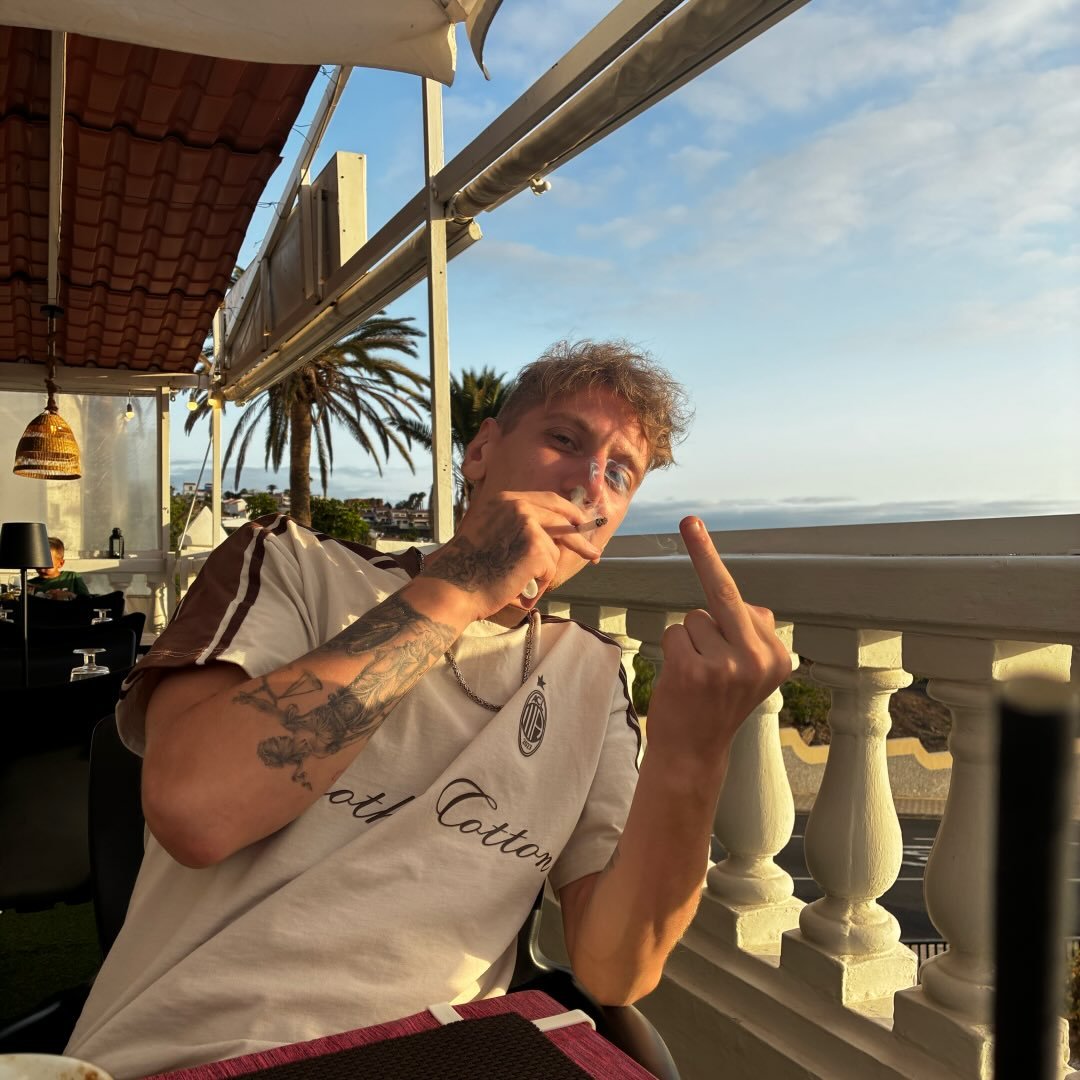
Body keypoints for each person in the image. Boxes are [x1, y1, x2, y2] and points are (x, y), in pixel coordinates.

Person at [65, 340, 791, 1077]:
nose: (589, 483)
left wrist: (695, 753)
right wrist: (464, 585)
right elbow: (197, 811)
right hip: (201, 1051)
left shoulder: (593, 677)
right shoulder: (292, 565)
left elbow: (615, 969)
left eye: (620, 473)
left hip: (453, 1049)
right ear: (480, 451)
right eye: (565, 440)